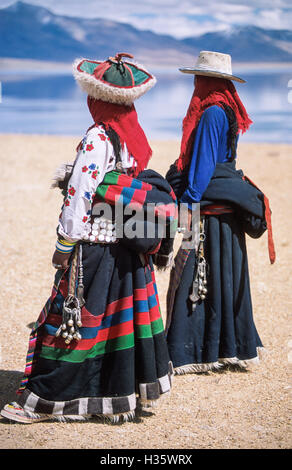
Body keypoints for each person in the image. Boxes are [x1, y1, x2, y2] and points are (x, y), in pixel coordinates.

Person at [1, 53, 175, 424]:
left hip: (95, 248)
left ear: (96, 100)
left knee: (76, 323)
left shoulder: (97, 138)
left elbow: (80, 194)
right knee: (116, 326)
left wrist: (65, 245)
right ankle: (117, 396)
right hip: (126, 248)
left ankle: (48, 401)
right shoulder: (132, 138)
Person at [165, 51, 275, 374]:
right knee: (222, 278)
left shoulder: (212, 111)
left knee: (192, 279)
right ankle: (226, 346)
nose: (195, 84)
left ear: (206, 80)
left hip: (209, 210)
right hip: (225, 214)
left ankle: (192, 351)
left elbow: (202, 166)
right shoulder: (225, 107)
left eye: (199, 78)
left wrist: (188, 202)